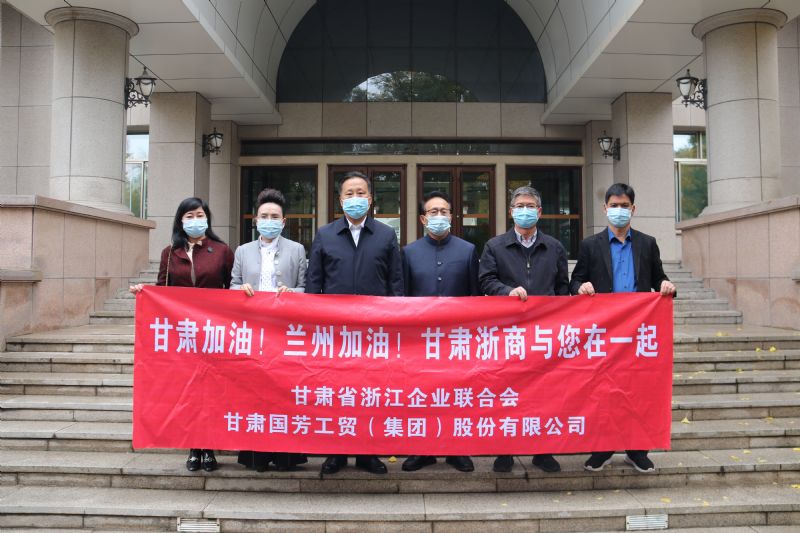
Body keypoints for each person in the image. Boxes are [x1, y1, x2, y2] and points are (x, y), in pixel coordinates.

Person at [570, 182, 676, 474]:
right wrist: (581, 287)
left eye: (624, 206)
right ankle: (602, 448)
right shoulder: (590, 245)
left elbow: (659, 277)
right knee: (602, 390)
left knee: (638, 390)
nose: (619, 210)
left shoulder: (647, 243)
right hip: (604, 332)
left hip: (638, 331)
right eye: (614, 206)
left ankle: (637, 449)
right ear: (605, 209)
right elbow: (575, 280)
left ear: (633, 209)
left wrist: (666, 285)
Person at [306, 171, 403, 475]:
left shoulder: (386, 235)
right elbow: (313, 285)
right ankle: (336, 453)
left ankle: (367, 453)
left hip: (376, 333)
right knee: (337, 394)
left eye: (361, 193)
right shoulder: (325, 235)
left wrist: (395, 325)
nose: (355, 198)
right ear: (340, 200)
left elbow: (396, 283)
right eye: (349, 194)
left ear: (370, 199)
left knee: (370, 394)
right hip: (336, 334)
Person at [130, 197, 234, 472]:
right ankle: (193, 447)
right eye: (189, 216)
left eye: (199, 215)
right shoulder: (170, 253)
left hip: (213, 333)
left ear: (207, 218)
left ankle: (209, 447)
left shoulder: (221, 251)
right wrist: (144, 293)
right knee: (189, 392)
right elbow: (161, 291)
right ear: (180, 221)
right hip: (183, 336)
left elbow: (232, 288)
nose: (195, 220)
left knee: (210, 392)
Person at [479, 185, 568, 474]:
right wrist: (507, 291)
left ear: (539, 212)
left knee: (545, 393)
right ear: (511, 211)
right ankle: (504, 450)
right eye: (520, 206)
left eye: (530, 206)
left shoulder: (554, 247)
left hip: (544, 334)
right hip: (509, 333)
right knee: (507, 393)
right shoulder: (495, 246)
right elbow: (486, 280)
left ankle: (543, 451)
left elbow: (562, 287)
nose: (525, 211)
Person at [230, 188, 308, 472]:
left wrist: (292, 293)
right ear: (256, 220)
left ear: (283, 221)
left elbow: (305, 287)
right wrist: (241, 289)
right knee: (255, 393)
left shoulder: (297, 250)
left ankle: (286, 455)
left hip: (285, 333)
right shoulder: (242, 251)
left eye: (275, 217)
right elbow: (232, 285)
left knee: (284, 392)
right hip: (253, 333)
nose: (269, 221)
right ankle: (256, 455)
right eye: (264, 216)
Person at [401, 191, 478, 474]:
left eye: (444, 211)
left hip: (457, 339)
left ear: (452, 216)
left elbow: (475, 296)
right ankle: (422, 450)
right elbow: (402, 298)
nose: (439, 216)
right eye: (433, 212)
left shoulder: (468, 250)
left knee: (457, 395)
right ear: (423, 219)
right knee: (421, 395)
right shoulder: (409, 252)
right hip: (420, 341)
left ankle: (457, 450)